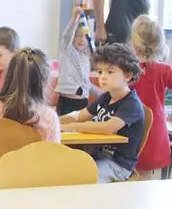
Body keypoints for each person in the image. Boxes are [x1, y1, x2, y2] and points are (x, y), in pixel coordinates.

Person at [60, 44, 145, 183]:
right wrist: (54, 121)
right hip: (98, 156)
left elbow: (108, 128)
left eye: (110, 72)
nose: (103, 77)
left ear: (128, 76)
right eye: (100, 72)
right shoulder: (106, 97)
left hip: (118, 165)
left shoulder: (131, 104)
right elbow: (79, 115)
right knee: (64, 169)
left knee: (83, 179)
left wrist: (70, 127)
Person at [130, 16, 172, 178]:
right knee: (146, 174)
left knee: (131, 172)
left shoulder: (129, 68)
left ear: (135, 44)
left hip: (131, 123)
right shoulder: (165, 69)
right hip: (154, 126)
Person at [55, 7, 93, 116]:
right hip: (67, 101)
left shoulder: (86, 58)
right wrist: (74, 19)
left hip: (82, 102)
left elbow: (87, 83)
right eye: (77, 36)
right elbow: (67, 36)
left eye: (85, 37)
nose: (81, 40)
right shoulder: (67, 50)